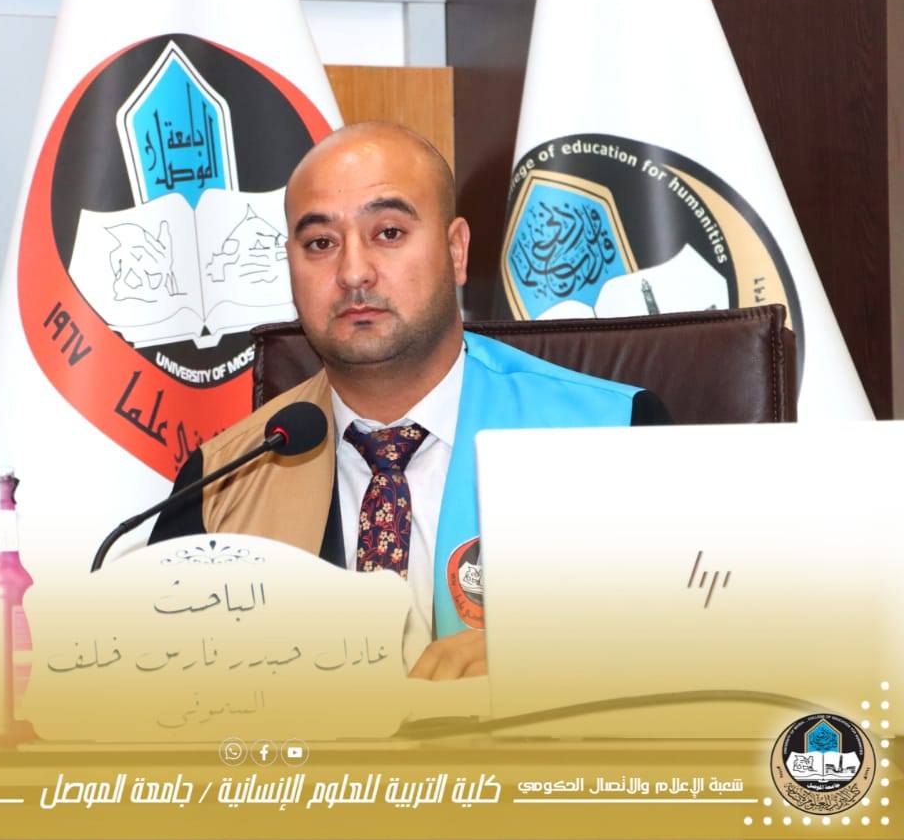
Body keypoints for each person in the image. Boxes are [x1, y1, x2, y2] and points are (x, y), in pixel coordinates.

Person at [149, 121, 669, 680]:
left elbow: (700, 658)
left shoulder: (617, 436)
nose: (353, 273)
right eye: (320, 243)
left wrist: (548, 658)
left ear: (456, 250)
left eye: (389, 233)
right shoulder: (221, 485)